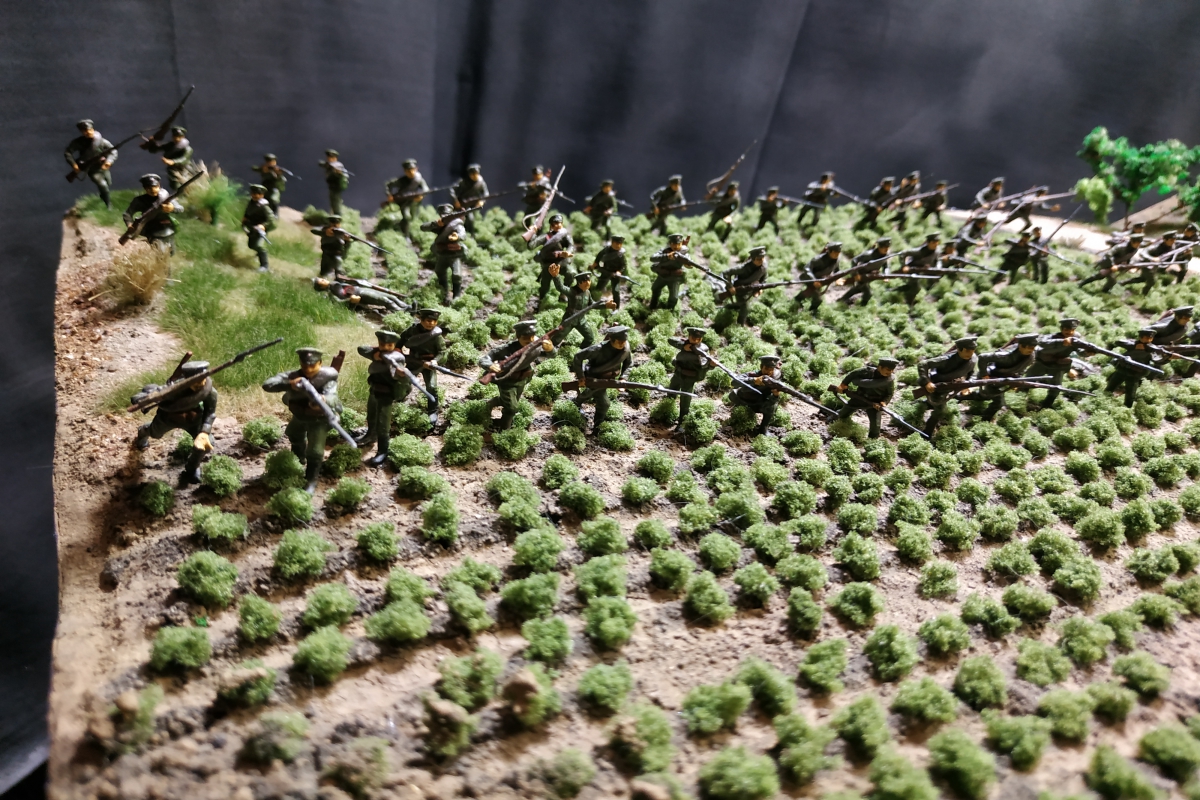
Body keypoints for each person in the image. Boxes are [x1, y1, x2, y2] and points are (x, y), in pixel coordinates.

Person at [262, 347, 342, 494]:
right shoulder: (294, 376)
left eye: (313, 366)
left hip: (319, 419)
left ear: (320, 363)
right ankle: (298, 460)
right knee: (293, 433)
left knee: (315, 451)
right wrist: (290, 384)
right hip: (300, 415)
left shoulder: (327, 377)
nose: (309, 369)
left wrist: (322, 399)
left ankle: (311, 480)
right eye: (305, 366)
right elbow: (268, 384)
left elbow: (333, 397)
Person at [131, 361, 217, 485]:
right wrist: (144, 398)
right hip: (169, 418)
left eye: (203, 380)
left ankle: (192, 467)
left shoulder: (209, 391)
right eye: (196, 381)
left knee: (207, 444)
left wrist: (204, 432)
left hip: (193, 420)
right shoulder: (173, 389)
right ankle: (143, 432)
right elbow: (144, 395)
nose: (201, 384)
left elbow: (210, 413)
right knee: (155, 433)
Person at [480, 320, 556, 430]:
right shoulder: (507, 348)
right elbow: (485, 359)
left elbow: (551, 355)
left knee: (511, 401)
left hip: (522, 379)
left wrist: (550, 349)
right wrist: (491, 366)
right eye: (525, 338)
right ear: (518, 337)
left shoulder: (536, 345)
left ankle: (490, 404)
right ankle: (505, 429)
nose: (530, 340)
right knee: (512, 408)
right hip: (507, 380)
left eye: (532, 336)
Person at [356, 330, 406, 466]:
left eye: (389, 345)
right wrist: (375, 354)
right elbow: (361, 349)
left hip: (386, 394)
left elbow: (398, 375)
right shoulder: (378, 353)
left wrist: (400, 374)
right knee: (371, 414)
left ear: (394, 345)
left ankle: (383, 451)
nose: (385, 348)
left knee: (383, 423)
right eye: (382, 344)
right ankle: (370, 435)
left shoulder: (397, 358)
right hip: (374, 389)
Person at [571, 326, 633, 433]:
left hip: (607, 380)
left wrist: (623, 377)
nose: (622, 344)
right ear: (612, 340)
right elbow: (578, 357)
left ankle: (597, 426)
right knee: (601, 401)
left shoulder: (625, 350)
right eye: (619, 341)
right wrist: (581, 377)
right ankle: (576, 406)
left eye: (624, 341)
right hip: (594, 378)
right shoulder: (598, 349)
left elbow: (629, 363)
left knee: (600, 400)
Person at [916, 337, 978, 435]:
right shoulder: (946, 359)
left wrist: (968, 384)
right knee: (940, 411)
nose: (970, 353)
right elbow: (922, 364)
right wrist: (927, 382)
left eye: (972, 350)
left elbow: (971, 372)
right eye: (967, 351)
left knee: (936, 403)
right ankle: (927, 432)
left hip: (950, 386)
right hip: (937, 386)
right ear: (959, 349)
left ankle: (922, 405)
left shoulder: (973, 359)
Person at [972, 333, 1038, 420]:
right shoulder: (1005, 355)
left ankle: (964, 396)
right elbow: (982, 357)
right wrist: (984, 375)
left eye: (1033, 347)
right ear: (1021, 346)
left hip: (1003, 379)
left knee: (985, 396)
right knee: (998, 403)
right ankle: (985, 420)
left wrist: (1016, 380)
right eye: (1030, 347)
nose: (1032, 350)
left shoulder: (1030, 356)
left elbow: (1021, 369)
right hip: (992, 376)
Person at [831, 357, 898, 439]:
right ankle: (834, 419)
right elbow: (853, 374)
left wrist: (883, 402)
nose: (890, 372)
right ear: (880, 367)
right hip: (859, 398)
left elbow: (889, 394)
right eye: (888, 369)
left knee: (875, 425)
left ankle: (872, 440)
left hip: (874, 404)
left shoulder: (889, 381)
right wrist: (843, 385)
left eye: (892, 370)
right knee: (844, 412)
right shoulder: (867, 372)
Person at [398, 309, 446, 422]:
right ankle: (400, 399)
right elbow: (399, 342)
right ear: (421, 320)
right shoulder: (412, 331)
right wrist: (399, 354)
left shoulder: (436, 336)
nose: (431, 323)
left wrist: (435, 361)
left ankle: (433, 411)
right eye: (428, 321)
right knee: (404, 381)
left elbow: (442, 351)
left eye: (434, 321)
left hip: (429, 364)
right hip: (414, 361)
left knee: (432, 387)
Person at [1033, 317, 1090, 407]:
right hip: (1041, 363)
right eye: (1066, 329)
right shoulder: (1052, 337)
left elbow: (1080, 351)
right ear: (1061, 329)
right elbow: (1042, 343)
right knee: (1027, 380)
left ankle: (1045, 406)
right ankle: (1020, 396)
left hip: (1057, 366)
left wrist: (1088, 352)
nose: (1069, 332)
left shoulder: (1075, 339)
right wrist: (1062, 342)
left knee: (1055, 388)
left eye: (1071, 330)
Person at [1106, 328, 1167, 408]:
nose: (1149, 340)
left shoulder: (1151, 349)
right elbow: (1118, 342)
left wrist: (1167, 357)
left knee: (1131, 393)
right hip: (1122, 369)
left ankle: (1127, 407)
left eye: (1150, 338)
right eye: (1146, 338)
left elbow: (1158, 361)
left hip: (1135, 374)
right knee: (1111, 385)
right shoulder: (1133, 345)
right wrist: (1134, 345)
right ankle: (1104, 398)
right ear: (1141, 337)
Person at [123, 173, 181, 254]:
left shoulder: (165, 197)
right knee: (160, 252)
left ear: (159, 185)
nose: (153, 190)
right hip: (151, 229)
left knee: (171, 251)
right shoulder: (140, 200)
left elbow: (180, 208)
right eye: (149, 188)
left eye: (155, 187)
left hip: (167, 227)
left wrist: (172, 208)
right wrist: (129, 224)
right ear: (145, 188)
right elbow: (127, 214)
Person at [64, 119, 117, 207]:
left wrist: (109, 161)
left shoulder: (101, 141)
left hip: (102, 166)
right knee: (103, 185)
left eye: (90, 130)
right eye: (85, 131)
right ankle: (108, 205)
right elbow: (68, 152)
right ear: (82, 132)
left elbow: (113, 151)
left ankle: (103, 195)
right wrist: (74, 164)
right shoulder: (78, 142)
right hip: (91, 168)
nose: (88, 132)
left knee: (108, 183)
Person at [420, 204, 468, 302]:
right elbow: (423, 227)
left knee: (457, 274)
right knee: (439, 271)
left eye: (447, 215)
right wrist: (436, 224)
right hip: (442, 253)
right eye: (442, 215)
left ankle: (457, 295)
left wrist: (457, 236)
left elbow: (463, 234)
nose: (444, 216)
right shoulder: (439, 225)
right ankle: (444, 292)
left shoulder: (456, 224)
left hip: (454, 254)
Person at [728, 355, 783, 436]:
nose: (768, 372)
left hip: (758, 403)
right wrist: (753, 380)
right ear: (761, 367)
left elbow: (771, 400)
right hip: (743, 401)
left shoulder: (774, 379)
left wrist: (775, 395)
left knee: (773, 406)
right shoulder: (752, 375)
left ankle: (763, 428)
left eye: (771, 369)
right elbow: (734, 382)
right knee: (739, 418)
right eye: (766, 369)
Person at [667, 327, 712, 426]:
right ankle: (667, 410)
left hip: (689, 378)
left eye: (698, 339)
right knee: (671, 391)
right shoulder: (685, 344)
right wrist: (684, 346)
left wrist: (711, 364)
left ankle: (682, 423)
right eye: (693, 338)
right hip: (678, 374)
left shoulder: (703, 349)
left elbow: (705, 364)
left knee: (685, 401)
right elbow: (670, 340)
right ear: (689, 336)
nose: (695, 341)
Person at [532, 214, 574, 310]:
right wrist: (533, 232)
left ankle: (564, 294)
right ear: (551, 225)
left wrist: (568, 252)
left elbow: (570, 245)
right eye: (555, 224)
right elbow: (532, 245)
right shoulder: (546, 236)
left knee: (571, 273)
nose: (558, 225)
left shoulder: (565, 235)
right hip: (548, 263)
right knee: (545, 285)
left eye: (559, 223)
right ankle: (541, 300)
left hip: (561, 262)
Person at [384, 158, 429, 239]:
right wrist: (389, 195)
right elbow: (388, 184)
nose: (411, 172)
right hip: (403, 201)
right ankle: (406, 236)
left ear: (416, 169)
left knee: (413, 217)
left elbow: (426, 189)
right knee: (407, 217)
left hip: (413, 201)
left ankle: (402, 225)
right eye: (408, 171)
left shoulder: (419, 179)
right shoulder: (401, 180)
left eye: (413, 169)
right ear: (405, 171)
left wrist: (422, 195)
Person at [313, 277, 408, 314]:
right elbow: (338, 303)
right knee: (385, 300)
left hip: (359, 289)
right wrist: (351, 300)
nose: (324, 279)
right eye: (322, 281)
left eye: (322, 279)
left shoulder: (334, 283)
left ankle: (407, 307)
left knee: (391, 296)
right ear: (321, 287)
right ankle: (402, 311)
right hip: (359, 294)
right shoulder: (330, 293)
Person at [723, 246, 768, 324]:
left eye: (762, 258)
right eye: (758, 259)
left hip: (752, 288)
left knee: (742, 305)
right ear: (753, 259)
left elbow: (764, 277)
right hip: (741, 289)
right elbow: (726, 273)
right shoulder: (743, 268)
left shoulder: (764, 265)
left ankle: (731, 307)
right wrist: (730, 287)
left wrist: (760, 287)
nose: (761, 261)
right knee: (745, 308)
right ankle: (740, 325)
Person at [840, 237, 890, 306]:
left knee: (858, 289)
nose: (886, 249)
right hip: (861, 275)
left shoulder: (885, 256)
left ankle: (841, 300)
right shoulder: (869, 254)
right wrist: (856, 274)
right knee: (868, 293)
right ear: (879, 247)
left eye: (887, 247)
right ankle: (862, 306)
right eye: (884, 247)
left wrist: (886, 275)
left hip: (870, 276)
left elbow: (885, 266)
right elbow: (854, 260)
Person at [796, 241, 843, 313]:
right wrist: (814, 280)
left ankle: (798, 299)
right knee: (818, 299)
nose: (837, 254)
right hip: (809, 278)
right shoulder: (818, 259)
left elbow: (836, 269)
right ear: (829, 251)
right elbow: (807, 268)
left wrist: (838, 278)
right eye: (835, 253)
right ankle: (812, 311)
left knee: (810, 291)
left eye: (838, 253)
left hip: (821, 280)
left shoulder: (837, 259)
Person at [895, 233, 940, 305]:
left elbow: (937, 261)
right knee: (915, 287)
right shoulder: (919, 251)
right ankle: (907, 301)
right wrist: (904, 266)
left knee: (932, 282)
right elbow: (903, 254)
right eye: (933, 242)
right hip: (911, 270)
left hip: (923, 271)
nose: (936, 244)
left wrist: (938, 268)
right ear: (928, 243)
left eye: (937, 242)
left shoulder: (937, 251)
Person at [143, 126, 194, 190]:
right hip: (172, 169)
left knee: (185, 185)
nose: (176, 138)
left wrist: (172, 161)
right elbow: (156, 149)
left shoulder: (187, 148)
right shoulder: (169, 145)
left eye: (179, 137)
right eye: (175, 136)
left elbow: (184, 159)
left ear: (183, 137)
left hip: (184, 168)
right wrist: (152, 142)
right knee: (174, 185)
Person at [649, 233, 689, 310]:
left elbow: (688, 262)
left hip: (674, 278)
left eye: (678, 244)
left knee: (674, 297)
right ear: (670, 243)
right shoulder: (664, 251)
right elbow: (652, 258)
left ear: (681, 244)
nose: (676, 246)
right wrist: (667, 256)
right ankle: (653, 305)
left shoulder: (684, 253)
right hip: (663, 275)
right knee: (655, 288)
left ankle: (669, 311)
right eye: (674, 244)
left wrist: (688, 264)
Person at [560, 272, 601, 347]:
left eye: (589, 281)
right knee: (557, 338)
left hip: (581, 320)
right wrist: (555, 277)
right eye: (585, 282)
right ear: (579, 282)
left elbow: (592, 304)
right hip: (570, 319)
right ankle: (549, 350)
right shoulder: (572, 291)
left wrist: (606, 305)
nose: (588, 283)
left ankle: (581, 350)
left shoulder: (587, 292)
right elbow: (561, 287)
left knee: (590, 338)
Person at [590, 235, 629, 309]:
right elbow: (599, 256)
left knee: (616, 291)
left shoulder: (621, 254)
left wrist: (619, 271)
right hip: (606, 271)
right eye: (617, 243)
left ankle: (616, 307)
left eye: (620, 244)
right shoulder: (606, 250)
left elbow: (624, 265)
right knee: (599, 287)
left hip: (615, 275)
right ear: (612, 243)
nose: (618, 246)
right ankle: (593, 303)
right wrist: (595, 264)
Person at [242, 184, 275, 272]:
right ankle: (259, 253)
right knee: (251, 245)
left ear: (262, 195)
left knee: (259, 246)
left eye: (258, 194)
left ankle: (264, 266)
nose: (255, 195)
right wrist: (245, 219)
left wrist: (263, 225)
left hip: (260, 228)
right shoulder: (251, 202)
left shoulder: (264, 206)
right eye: (253, 193)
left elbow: (271, 218)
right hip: (252, 227)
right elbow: (248, 211)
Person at [451, 163, 489, 235]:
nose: (475, 176)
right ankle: (467, 234)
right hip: (462, 204)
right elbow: (452, 189)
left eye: (476, 173)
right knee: (463, 220)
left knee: (471, 219)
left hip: (473, 205)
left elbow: (486, 193)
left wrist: (482, 201)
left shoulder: (481, 182)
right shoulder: (463, 182)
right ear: (469, 174)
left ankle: (470, 234)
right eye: (473, 174)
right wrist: (455, 201)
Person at [311, 214, 352, 278]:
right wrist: (325, 232)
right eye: (333, 222)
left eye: (337, 222)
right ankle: (322, 279)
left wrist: (347, 241)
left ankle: (338, 277)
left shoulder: (342, 232)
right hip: (327, 252)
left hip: (337, 253)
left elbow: (346, 246)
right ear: (329, 223)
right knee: (324, 269)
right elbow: (313, 230)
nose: (335, 224)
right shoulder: (325, 229)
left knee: (338, 268)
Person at [319, 149, 350, 214]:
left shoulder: (338, 165)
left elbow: (339, 174)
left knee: (336, 202)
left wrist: (337, 173)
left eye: (331, 157)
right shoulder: (330, 164)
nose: (329, 158)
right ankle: (333, 215)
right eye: (328, 157)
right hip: (331, 186)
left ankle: (337, 216)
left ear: (335, 158)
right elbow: (324, 164)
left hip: (336, 187)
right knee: (332, 202)